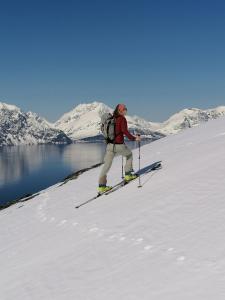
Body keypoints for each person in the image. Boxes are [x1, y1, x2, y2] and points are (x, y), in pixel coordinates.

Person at [98, 103, 141, 194]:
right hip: (119, 145)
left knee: (106, 165)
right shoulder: (122, 119)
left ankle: (102, 186)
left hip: (109, 146)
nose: (126, 111)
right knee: (129, 155)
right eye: (124, 109)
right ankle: (128, 175)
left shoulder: (111, 119)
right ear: (120, 110)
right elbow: (125, 132)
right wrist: (134, 138)